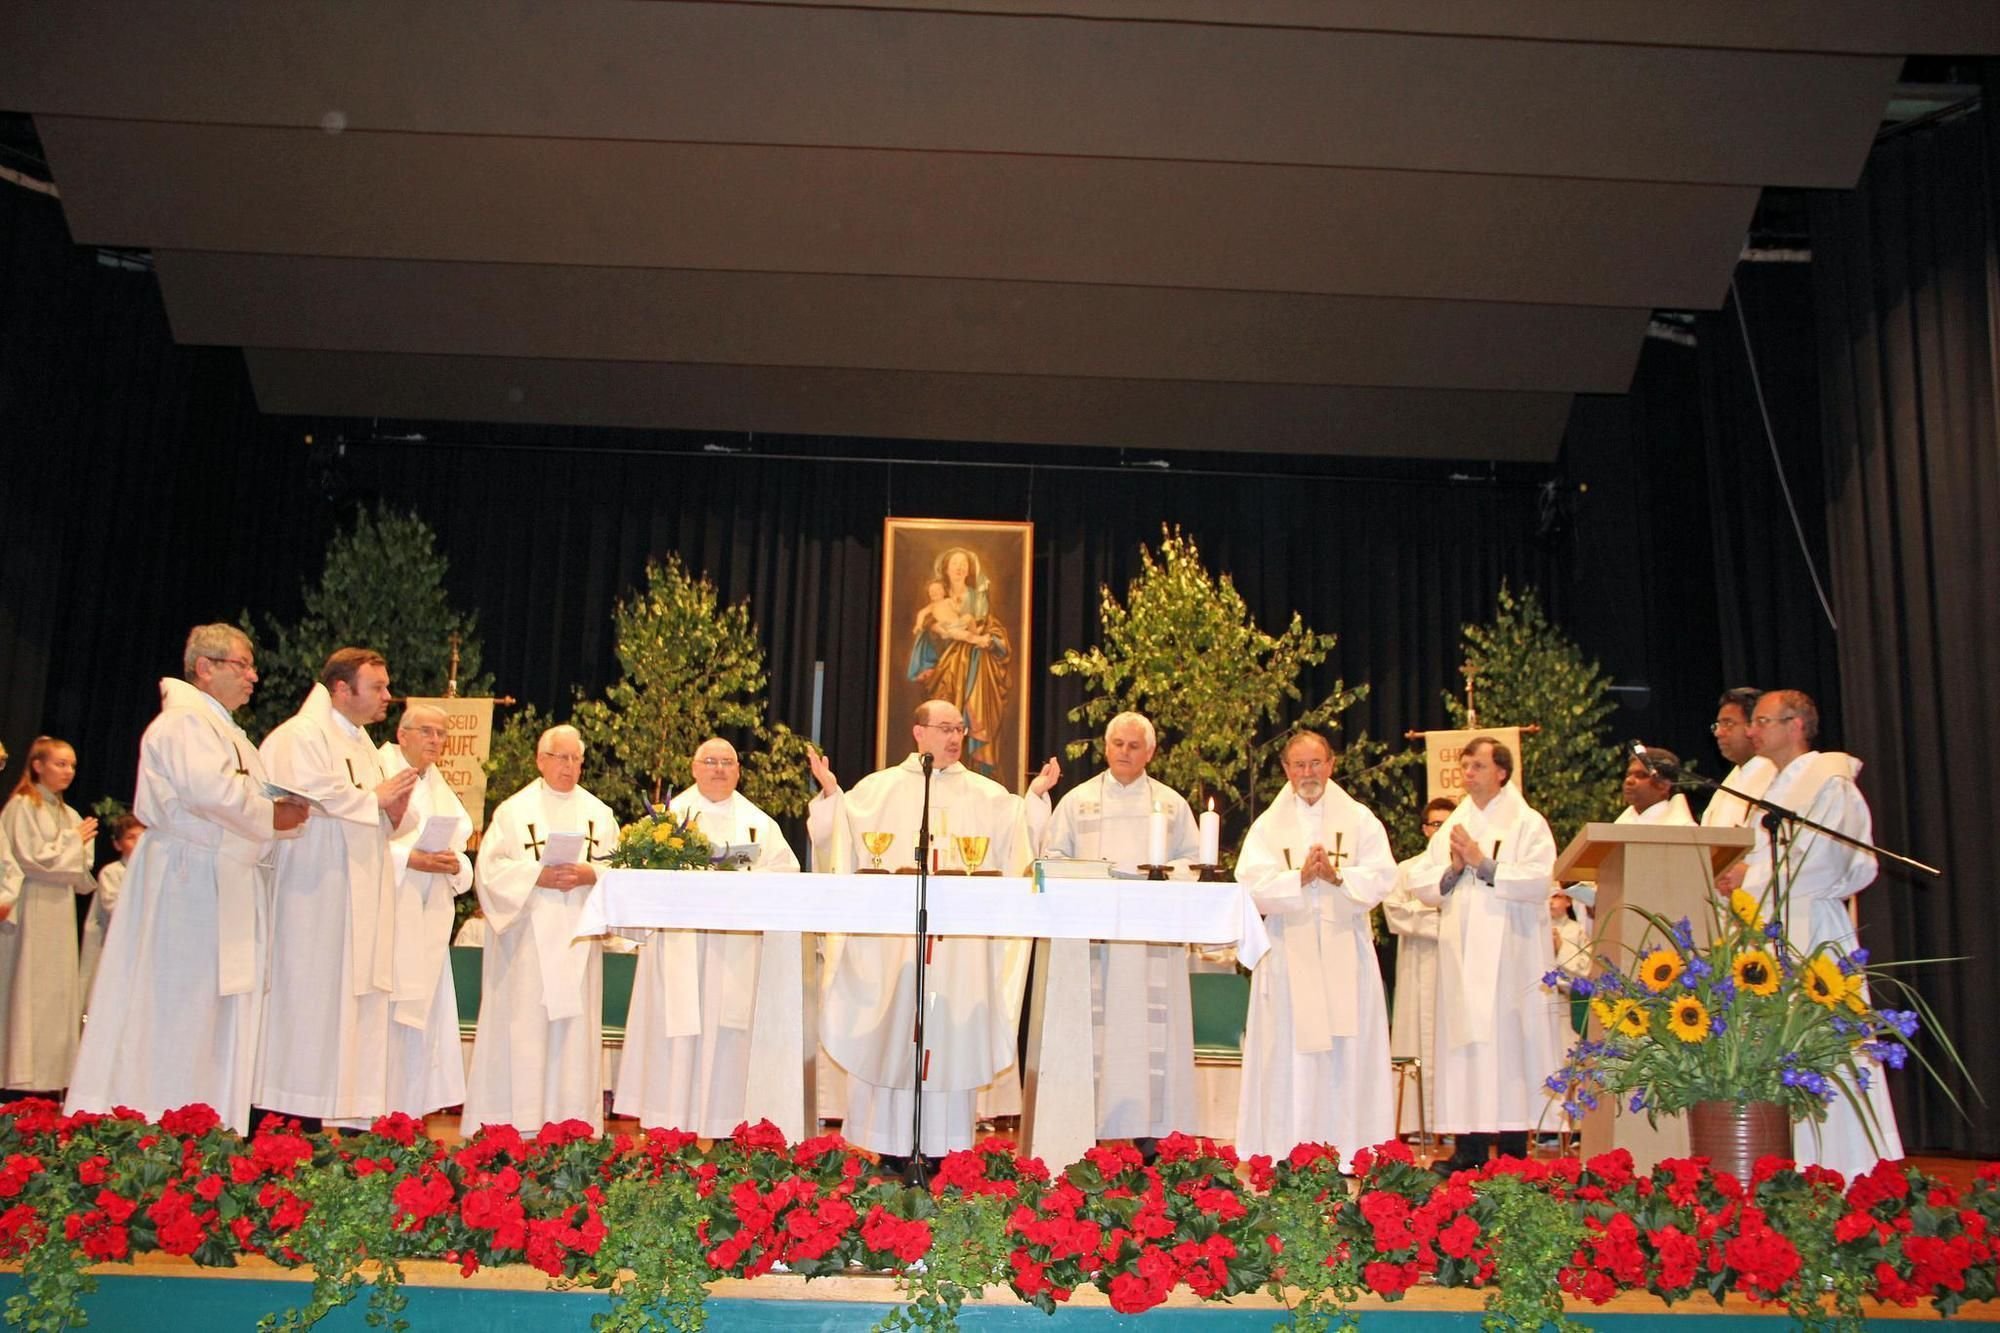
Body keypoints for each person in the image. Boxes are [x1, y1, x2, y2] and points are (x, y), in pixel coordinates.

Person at [65, 625, 309, 1132]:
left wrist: (276, 815)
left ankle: (207, 1117)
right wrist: (272, 816)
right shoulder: (182, 724)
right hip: (186, 882)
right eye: (242, 665)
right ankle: (154, 1115)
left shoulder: (228, 732)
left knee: (215, 1008)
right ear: (205, 667)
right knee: (177, 1003)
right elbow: (210, 793)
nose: (253, 676)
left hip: (222, 877)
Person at [805, 699, 1058, 1158]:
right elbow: (835, 837)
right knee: (891, 1034)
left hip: (958, 954)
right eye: (944, 728)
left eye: (959, 728)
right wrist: (829, 797)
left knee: (950, 1037)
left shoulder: (988, 796)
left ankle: (943, 1151)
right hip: (894, 952)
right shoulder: (877, 791)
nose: (954, 737)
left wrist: (1037, 797)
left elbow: (1022, 835)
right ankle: (888, 1148)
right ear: (918, 732)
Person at [1741, 689, 1902, 1177]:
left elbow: (1824, 863)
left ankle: (1847, 1166)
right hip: (1768, 929)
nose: (1752, 731)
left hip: (1813, 931)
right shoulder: (1767, 790)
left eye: (1763, 721)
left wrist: (1745, 877)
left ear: (1796, 726)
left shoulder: (1829, 783)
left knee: (1828, 1047)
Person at [256, 648, 418, 1126]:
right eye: (378, 687)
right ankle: (282, 1117)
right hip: (312, 893)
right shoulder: (299, 737)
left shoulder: (362, 744)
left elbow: (374, 811)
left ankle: (333, 1113)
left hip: (357, 895)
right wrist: (376, 800)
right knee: (305, 1001)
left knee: (343, 1008)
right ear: (342, 689)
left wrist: (389, 812)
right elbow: (305, 796)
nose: (388, 695)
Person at [614, 738, 801, 1133]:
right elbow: (639, 876)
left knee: (729, 1040)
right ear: (694, 767)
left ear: (738, 771)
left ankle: (723, 1130)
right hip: (679, 947)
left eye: (727, 762)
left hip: (735, 951)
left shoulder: (759, 824)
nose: (719, 769)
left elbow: (787, 874)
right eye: (711, 761)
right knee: (674, 1037)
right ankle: (669, 1129)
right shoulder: (666, 820)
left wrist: (747, 881)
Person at [1039, 712, 1201, 1145]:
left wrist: (1166, 876)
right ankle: (1088, 1126)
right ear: (1106, 748)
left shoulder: (1170, 805)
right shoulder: (1079, 801)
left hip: (1152, 940)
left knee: (1149, 1036)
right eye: (1117, 744)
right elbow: (1053, 854)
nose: (1125, 753)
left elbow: (1192, 859)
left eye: (1134, 746)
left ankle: (1151, 1132)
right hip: (1097, 941)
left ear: (1150, 752)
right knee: (1097, 1032)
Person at [1233, 730, 1396, 1161]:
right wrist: (1299, 878)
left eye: (1316, 763)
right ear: (1285, 770)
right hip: (1289, 953)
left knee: (1348, 1052)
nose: (1308, 773)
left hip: (1347, 948)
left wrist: (1340, 877)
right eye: (1299, 765)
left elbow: (1383, 875)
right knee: (1289, 1053)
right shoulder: (1267, 827)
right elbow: (1248, 885)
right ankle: (1286, 1150)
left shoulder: (1359, 819)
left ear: (1332, 764)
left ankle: (1350, 1151)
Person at [1412, 736, 1562, 1174]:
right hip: (1463, 952)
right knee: (1467, 1048)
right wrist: (1453, 870)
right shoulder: (1457, 822)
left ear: (1501, 771)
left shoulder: (1527, 823)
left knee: (1510, 1047)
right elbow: (1421, 878)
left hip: (1511, 954)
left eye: (1476, 766)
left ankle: (1514, 1150)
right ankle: (1468, 1149)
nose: (1468, 774)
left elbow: (1539, 880)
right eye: (1464, 766)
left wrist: (1484, 864)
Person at [464, 725, 618, 1134]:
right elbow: (491, 870)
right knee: (524, 1027)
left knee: (572, 1034)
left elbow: (618, 870)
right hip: (526, 942)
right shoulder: (514, 812)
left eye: (575, 759)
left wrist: (590, 873)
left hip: (577, 940)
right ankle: (513, 1123)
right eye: (560, 757)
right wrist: (536, 876)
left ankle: (571, 1124)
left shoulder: (598, 814)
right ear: (540, 760)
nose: (569, 767)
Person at [377, 703, 475, 1120]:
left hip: (428, 916)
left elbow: (460, 843)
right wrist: (408, 859)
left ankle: (410, 1109)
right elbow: (359, 840)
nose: (436, 741)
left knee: (422, 1011)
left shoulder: (436, 784)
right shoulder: (378, 770)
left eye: (441, 734)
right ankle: (374, 1108)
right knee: (386, 1008)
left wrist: (457, 865)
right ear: (402, 734)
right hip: (388, 915)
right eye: (427, 732)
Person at [0, 737, 98, 1092]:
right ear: (38, 765)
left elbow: (80, 871)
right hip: (31, 907)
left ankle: (48, 1079)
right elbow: (31, 859)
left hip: (59, 909)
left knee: (55, 993)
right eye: (60, 763)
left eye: (72, 765)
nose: (69, 771)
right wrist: (71, 844)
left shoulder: (70, 815)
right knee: (27, 989)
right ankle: (17, 1078)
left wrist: (69, 851)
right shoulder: (21, 806)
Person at [1383, 797, 1457, 1134]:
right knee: (1415, 1037)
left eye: (1447, 823)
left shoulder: (1464, 870)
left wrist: (1426, 913)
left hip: (1453, 964)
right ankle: (1414, 1123)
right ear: (1425, 828)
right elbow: (1396, 914)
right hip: (1417, 962)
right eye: (1434, 824)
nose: (1439, 830)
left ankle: (1453, 1121)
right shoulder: (1407, 870)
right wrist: (1438, 918)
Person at [911, 548, 1012, 780]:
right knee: (944, 716)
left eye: (964, 564)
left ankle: (975, 772)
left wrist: (990, 641)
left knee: (975, 715)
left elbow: (996, 635)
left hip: (978, 670)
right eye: (954, 563)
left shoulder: (979, 599)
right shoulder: (938, 599)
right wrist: (935, 631)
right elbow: (927, 630)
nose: (959, 567)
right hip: (948, 671)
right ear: (946, 570)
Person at [80, 815, 143, 1013]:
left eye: (143, 837)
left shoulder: (155, 872)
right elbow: (115, 909)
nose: (139, 843)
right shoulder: (112, 872)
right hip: (119, 946)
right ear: (117, 844)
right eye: (131, 838)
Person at [1702, 687, 1776, 834]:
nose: (1718, 733)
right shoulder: (1732, 779)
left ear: (1753, 726)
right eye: (1717, 725)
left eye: (1728, 724)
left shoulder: (1772, 775)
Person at [1616, 747, 1694, 826]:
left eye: (1640, 775)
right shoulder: (1621, 823)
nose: (1629, 780)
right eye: (1628, 775)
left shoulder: (1682, 828)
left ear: (1664, 785)